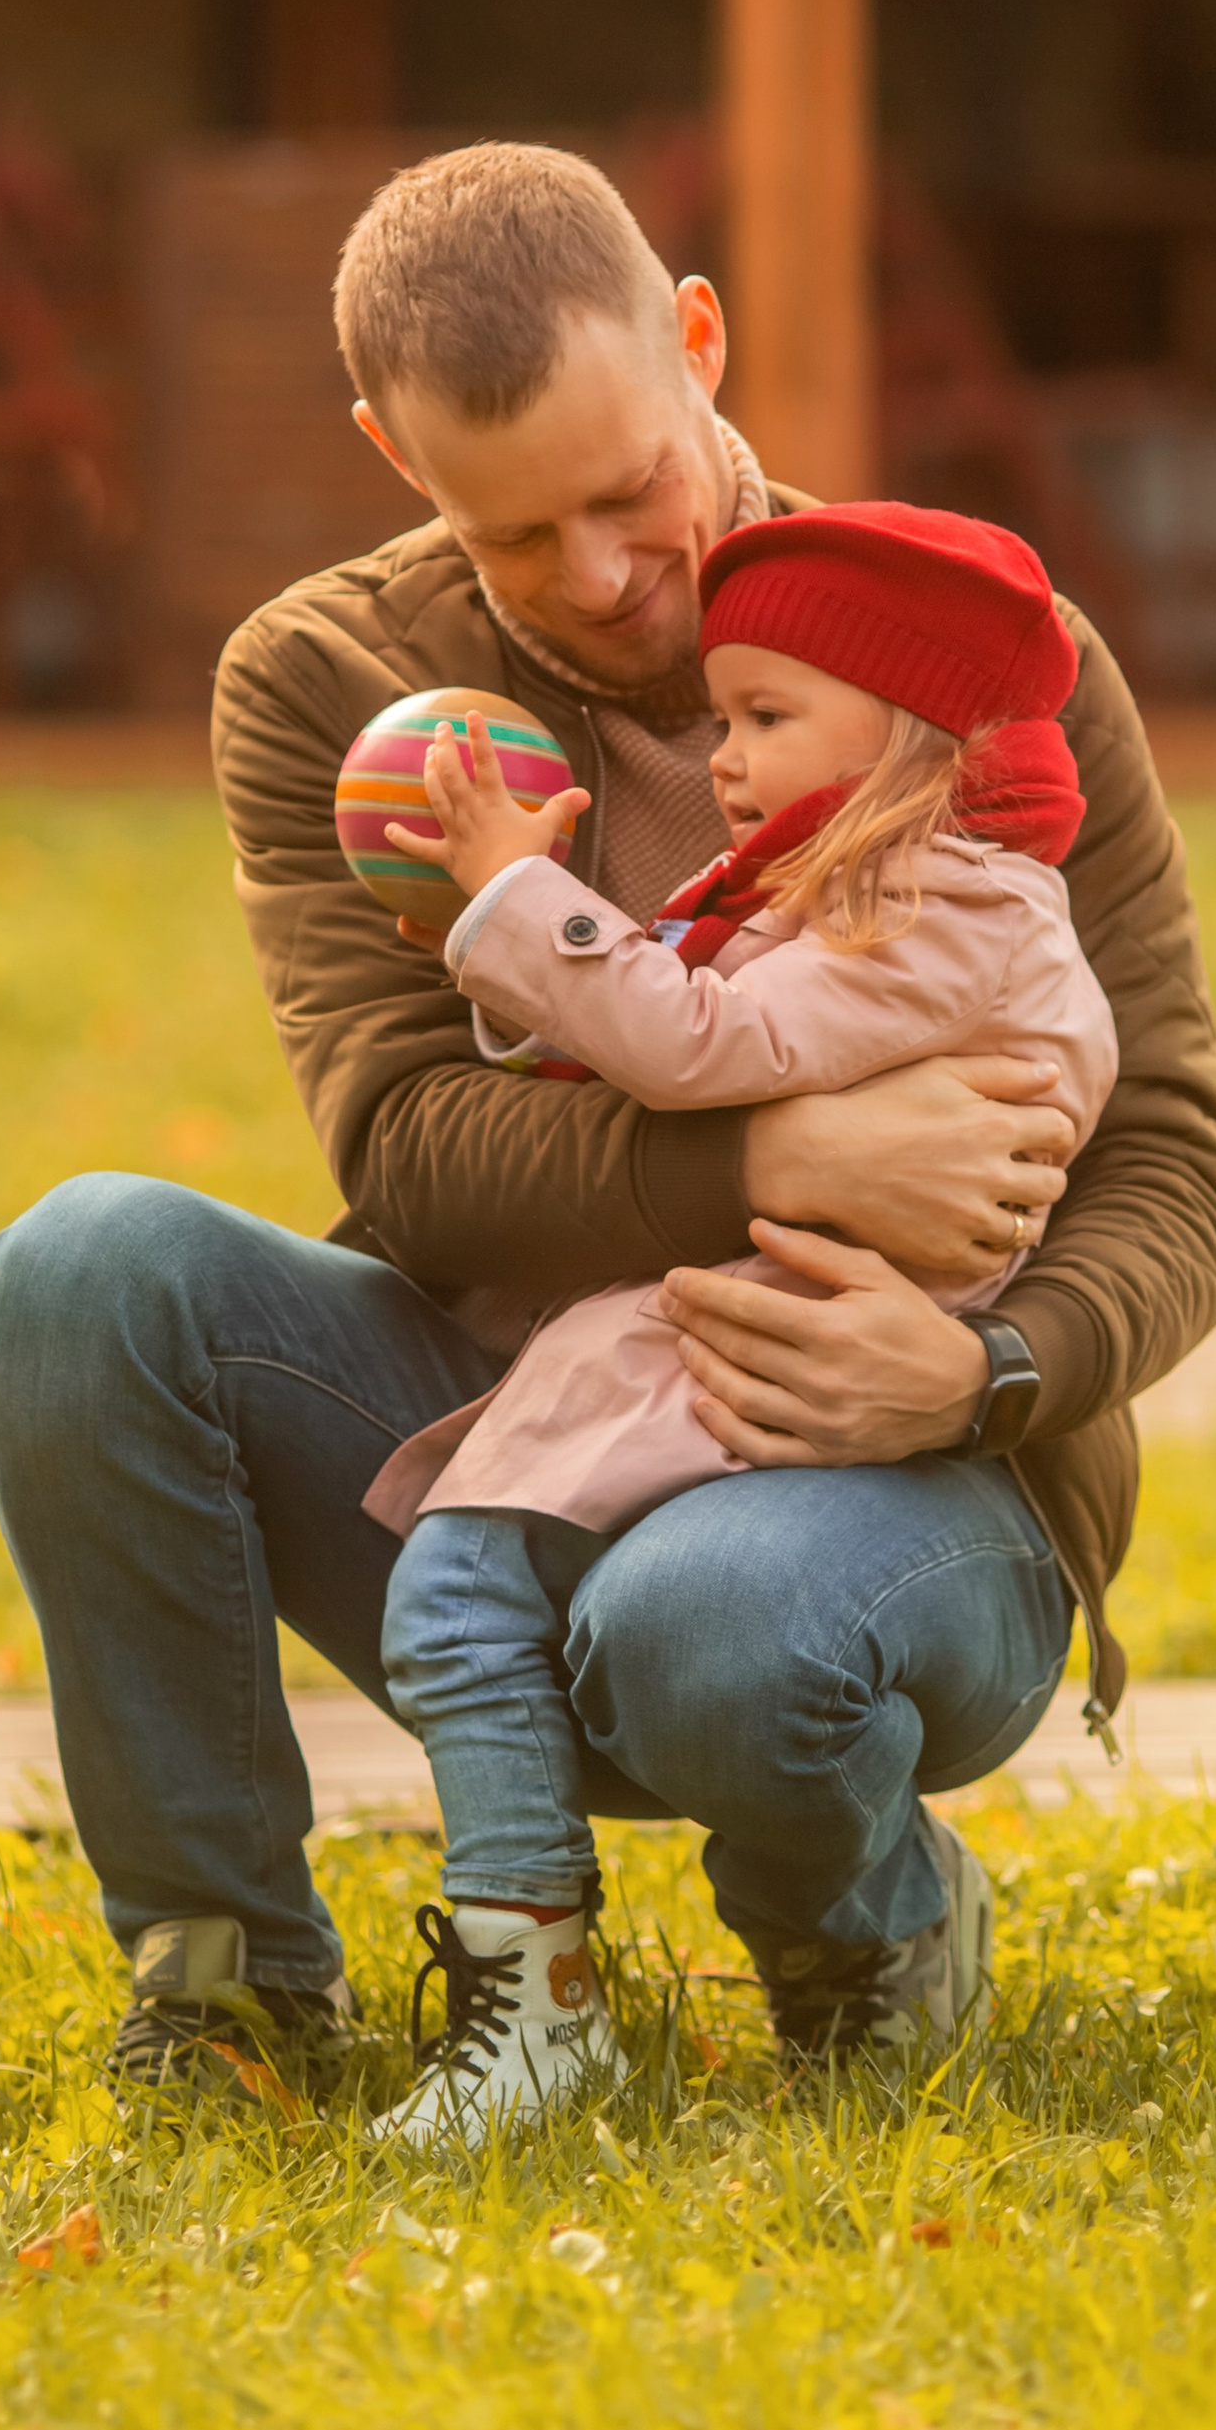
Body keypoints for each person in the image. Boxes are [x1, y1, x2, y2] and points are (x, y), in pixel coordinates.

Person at [0, 143, 1216, 2101]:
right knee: (83, 1273)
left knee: (706, 1616)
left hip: (898, 1468)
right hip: (505, 1434)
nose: (598, 576)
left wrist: (981, 1371)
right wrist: (773, 1157)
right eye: (512, 533)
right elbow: (407, 1152)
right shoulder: (334, 682)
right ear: (395, 457)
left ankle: (870, 1922)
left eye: (631, 489)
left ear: (699, 344)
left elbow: (1168, 1156)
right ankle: (222, 1981)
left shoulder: (974, 657)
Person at [365, 503, 1118, 2141]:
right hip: (716, 1350)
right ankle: (533, 1991)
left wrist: (521, 899)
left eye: (768, 716)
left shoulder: (951, 908)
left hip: (800, 1393)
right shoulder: (838, 898)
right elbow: (664, 1034)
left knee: (485, 1593)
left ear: (916, 735)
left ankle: (783, 1942)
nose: (724, 757)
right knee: (455, 1595)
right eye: (721, 718)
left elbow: (695, 1043)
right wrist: (506, 934)